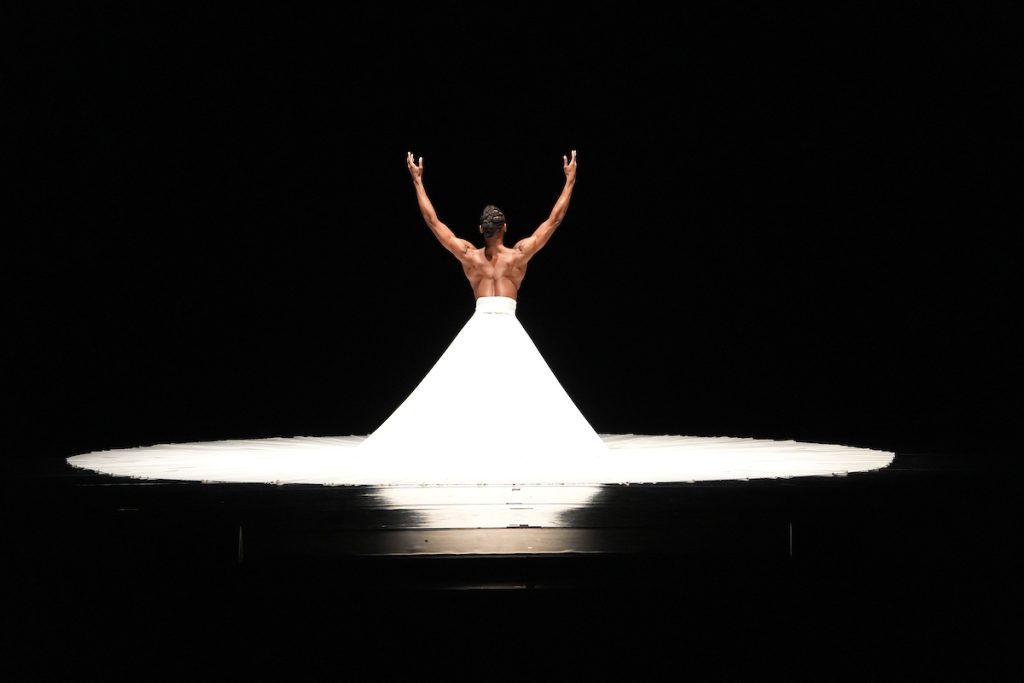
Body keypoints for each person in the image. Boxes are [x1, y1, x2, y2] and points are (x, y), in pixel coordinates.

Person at [355, 150, 608, 484]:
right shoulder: (519, 254)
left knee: (466, 395)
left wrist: (418, 181)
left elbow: (433, 223)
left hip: (479, 326)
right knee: (519, 396)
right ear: (505, 228)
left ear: (480, 229)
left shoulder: (469, 255)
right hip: (506, 326)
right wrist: (570, 179)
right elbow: (554, 220)